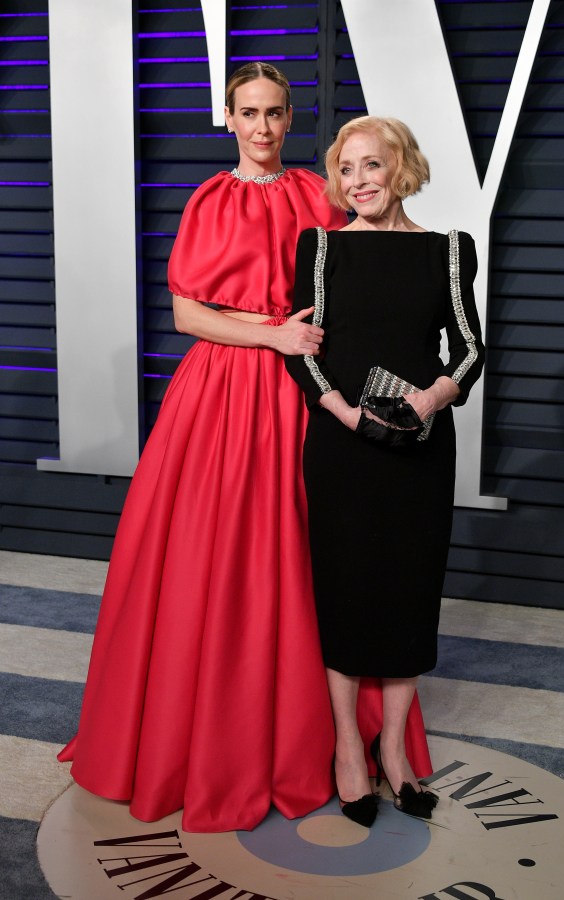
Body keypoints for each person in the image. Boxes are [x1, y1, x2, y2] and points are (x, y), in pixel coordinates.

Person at [58, 68, 432, 833]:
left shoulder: (317, 195)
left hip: (308, 391)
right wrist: (272, 334)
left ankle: (337, 743)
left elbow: (360, 281)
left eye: (274, 114)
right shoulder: (210, 199)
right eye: (248, 114)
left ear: (292, 118)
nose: (261, 128)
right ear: (227, 119)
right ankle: (219, 741)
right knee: (217, 557)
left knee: (319, 556)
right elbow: (188, 314)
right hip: (226, 392)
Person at [285, 116, 485, 827]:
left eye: (371, 166)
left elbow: (468, 348)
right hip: (342, 445)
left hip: (420, 447)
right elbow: (300, 348)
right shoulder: (321, 248)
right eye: (346, 169)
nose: (358, 182)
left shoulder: (449, 251)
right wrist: (344, 414)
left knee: (407, 592)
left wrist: (428, 400)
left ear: (400, 169)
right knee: (344, 592)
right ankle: (348, 752)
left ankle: (393, 754)